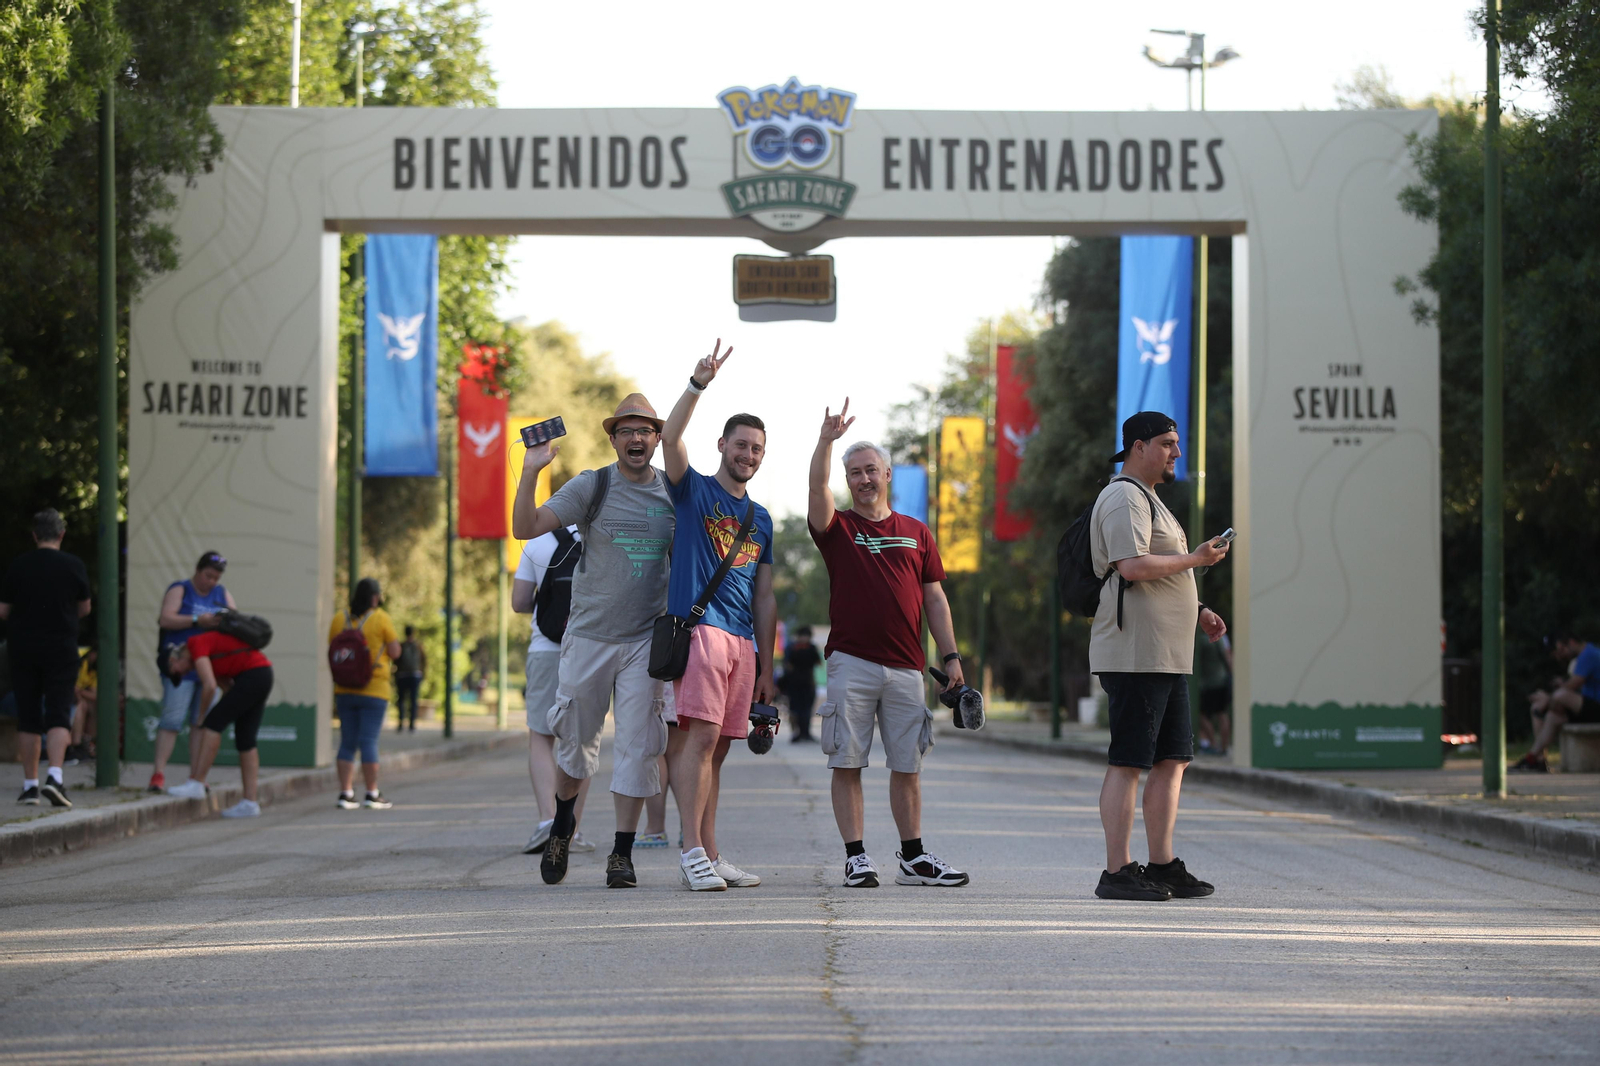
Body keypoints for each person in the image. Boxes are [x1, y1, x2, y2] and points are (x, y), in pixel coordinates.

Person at [512, 393, 676, 889]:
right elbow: (525, 527)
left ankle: (621, 853)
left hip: (644, 642)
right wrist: (530, 471)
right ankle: (563, 825)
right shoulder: (593, 485)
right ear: (613, 438)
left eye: (645, 430)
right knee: (576, 744)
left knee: (638, 747)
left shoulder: (675, 493)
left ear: (657, 438)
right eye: (626, 430)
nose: (636, 438)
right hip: (588, 638)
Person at [808, 406, 970, 889]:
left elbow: (935, 598)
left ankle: (914, 859)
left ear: (887, 475)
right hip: (851, 662)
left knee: (908, 764)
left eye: (870, 471)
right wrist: (825, 442)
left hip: (907, 668)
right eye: (854, 473)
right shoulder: (837, 529)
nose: (863, 480)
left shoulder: (917, 531)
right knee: (847, 761)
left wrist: (952, 657)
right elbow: (817, 489)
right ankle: (857, 858)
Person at [1090, 411, 1230, 901]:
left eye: (1177, 444)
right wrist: (1197, 559)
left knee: (1173, 759)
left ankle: (1162, 864)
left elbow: (1163, 574)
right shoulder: (1123, 495)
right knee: (1129, 761)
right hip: (1134, 652)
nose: (1176, 452)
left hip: (1167, 653)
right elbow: (1131, 566)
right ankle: (1116, 871)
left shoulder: (1151, 500)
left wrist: (1199, 610)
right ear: (1138, 446)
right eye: (1168, 443)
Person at [660, 340, 777, 892]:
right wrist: (697, 383)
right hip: (702, 631)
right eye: (741, 445)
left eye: (756, 449)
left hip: (742, 642)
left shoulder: (762, 519)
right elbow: (669, 437)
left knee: (720, 752)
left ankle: (710, 850)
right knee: (700, 742)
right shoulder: (694, 491)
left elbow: (766, 595)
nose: (748, 455)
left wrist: (767, 666)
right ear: (723, 445)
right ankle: (689, 852)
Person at [511, 523, 594, 857]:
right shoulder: (601, 535)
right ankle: (569, 828)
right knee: (583, 739)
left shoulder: (537, 542)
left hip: (545, 648)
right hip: (591, 650)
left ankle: (547, 821)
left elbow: (518, 602)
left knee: (541, 736)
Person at [1, 509, 91, 809]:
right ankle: (55, 776)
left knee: (28, 717)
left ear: (34, 535)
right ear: (62, 535)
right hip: (61, 647)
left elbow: (3, 610)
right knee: (58, 711)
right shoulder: (74, 565)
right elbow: (85, 608)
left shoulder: (19, 565)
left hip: (23, 648)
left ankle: (30, 787)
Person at [163, 631, 273, 818]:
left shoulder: (195, 644)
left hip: (253, 675)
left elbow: (209, 686)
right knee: (245, 740)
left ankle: (197, 783)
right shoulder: (208, 657)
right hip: (262, 674)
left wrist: (201, 718)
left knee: (212, 725)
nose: (183, 674)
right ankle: (250, 802)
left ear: (174, 659)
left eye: (176, 671)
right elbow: (227, 687)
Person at [151, 551, 236, 793]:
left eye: (215, 578)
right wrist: (198, 620)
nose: (211, 582)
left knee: (202, 723)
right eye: (208, 575)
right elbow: (166, 619)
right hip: (183, 668)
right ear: (198, 571)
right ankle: (158, 773)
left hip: (210, 669)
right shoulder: (180, 589)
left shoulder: (222, 594)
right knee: (172, 719)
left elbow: (234, 620)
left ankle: (196, 776)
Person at [328, 578, 400, 810]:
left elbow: (332, 647)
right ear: (375, 597)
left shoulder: (340, 618)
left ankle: (345, 793)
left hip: (344, 689)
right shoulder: (381, 618)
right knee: (368, 740)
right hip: (374, 689)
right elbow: (396, 651)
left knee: (347, 741)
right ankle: (371, 792)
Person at [1512, 633, 1600, 773]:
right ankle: (1535, 759)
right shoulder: (1581, 657)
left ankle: (1544, 705)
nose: (1560, 656)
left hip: (1596, 708)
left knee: (1559, 696)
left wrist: (1547, 698)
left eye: (1561, 651)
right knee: (1550, 715)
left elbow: (1571, 687)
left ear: (1571, 642)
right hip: (1586, 708)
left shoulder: (1589, 654)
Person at [782, 626, 822, 742]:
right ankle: (796, 733)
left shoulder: (811, 648)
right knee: (795, 710)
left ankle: (805, 733)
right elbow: (787, 665)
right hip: (795, 684)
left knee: (806, 710)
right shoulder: (792, 648)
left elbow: (818, 662)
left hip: (808, 683)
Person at [1196, 633, 1233, 756]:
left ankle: (1213, 743)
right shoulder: (1220, 637)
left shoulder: (1201, 639)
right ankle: (1223, 747)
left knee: (1201, 715)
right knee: (1222, 714)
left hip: (1207, 683)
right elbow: (1227, 657)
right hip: (1220, 679)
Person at [67, 646, 97, 765]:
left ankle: (87, 743)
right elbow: (72, 687)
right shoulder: (80, 657)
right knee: (80, 705)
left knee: (94, 706)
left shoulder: (95, 668)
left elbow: (95, 695)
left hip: (78, 697)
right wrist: (80, 694)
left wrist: (81, 693)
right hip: (65, 695)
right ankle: (75, 744)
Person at [393, 626, 425, 733]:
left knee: (401, 700)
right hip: (415, 675)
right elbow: (424, 661)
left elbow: (396, 660)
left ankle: (401, 723)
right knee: (413, 700)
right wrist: (422, 674)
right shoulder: (418, 646)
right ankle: (412, 724)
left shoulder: (402, 645)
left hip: (402, 675)